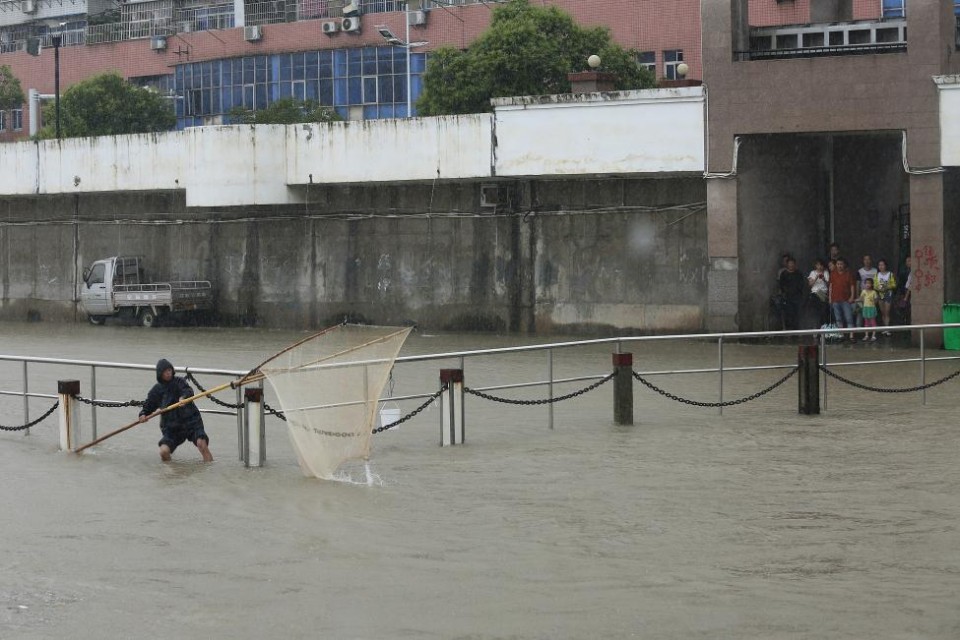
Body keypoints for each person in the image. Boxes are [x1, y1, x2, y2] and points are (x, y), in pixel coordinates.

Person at [139, 358, 213, 462]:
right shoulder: (156, 390)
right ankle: (171, 473)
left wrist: (184, 398)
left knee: (202, 444)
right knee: (163, 451)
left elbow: (188, 391)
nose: (168, 373)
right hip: (172, 428)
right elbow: (149, 405)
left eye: (169, 370)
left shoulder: (180, 382)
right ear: (160, 374)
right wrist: (143, 414)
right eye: (165, 372)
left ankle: (209, 469)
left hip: (191, 422)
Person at [829, 257, 857, 342]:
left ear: (844, 265)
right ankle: (841, 335)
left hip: (845, 299)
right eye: (838, 264)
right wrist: (830, 297)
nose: (839, 266)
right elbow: (830, 286)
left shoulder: (848, 274)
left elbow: (852, 286)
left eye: (841, 264)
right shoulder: (833, 274)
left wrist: (852, 296)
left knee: (849, 318)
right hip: (835, 299)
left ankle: (851, 336)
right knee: (838, 318)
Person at [778, 257, 806, 331]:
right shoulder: (783, 274)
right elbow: (781, 285)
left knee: (797, 315)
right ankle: (788, 332)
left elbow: (801, 285)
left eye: (792, 263)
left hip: (797, 298)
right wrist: (784, 293)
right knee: (788, 315)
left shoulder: (798, 273)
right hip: (787, 298)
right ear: (787, 264)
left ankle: (797, 331)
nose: (791, 265)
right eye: (789, 263)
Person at [874, 258, 897, 336]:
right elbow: (874, 285)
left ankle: (887, 328)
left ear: (886, 266)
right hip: (880, 294)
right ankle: (885, 328)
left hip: (888, 293)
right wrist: (878, 288)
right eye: (879, 265)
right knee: (883, 312)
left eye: (882, 265)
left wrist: (887, 287)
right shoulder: (877, 275)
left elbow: (894, 284)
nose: (881, 266)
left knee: (887, 312)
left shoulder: (890, 274)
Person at [807, 259, 830, 326]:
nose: (819, 267)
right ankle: (815, 327)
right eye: (818, 265)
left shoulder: (826, 272)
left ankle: (823, 327)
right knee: (815, 312)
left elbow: (829, 284)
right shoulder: (812, 272)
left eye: (821, 265)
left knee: (823, 311)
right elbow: (810, 284)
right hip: (815, 293)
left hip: (823, 293)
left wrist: (824, 279)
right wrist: (816, 277)